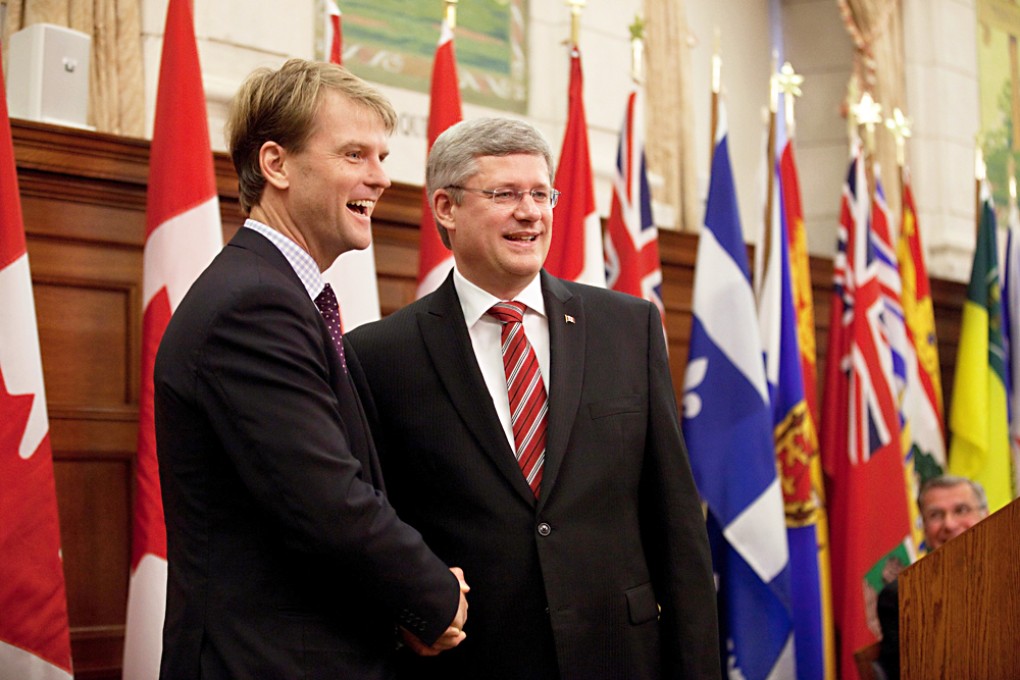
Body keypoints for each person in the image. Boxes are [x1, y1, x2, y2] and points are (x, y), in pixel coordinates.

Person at [346, 117, 721, 679]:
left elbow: (675, 523)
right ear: (445, 207)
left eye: (541, 194)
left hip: (622, 658)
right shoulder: (377, 355)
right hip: (473, 661)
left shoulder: (629, 326)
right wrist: (409, 610)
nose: (531, 212)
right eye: (505, 194)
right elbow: (375, 523)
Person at [153, 59, 468, 679]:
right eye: (355, 155)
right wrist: (435, 596)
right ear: (276, 165)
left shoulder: (277, 292)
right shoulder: (255, 303)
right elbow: (328, 502)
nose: (379, 178)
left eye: (382, 156)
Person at [877, 475, 989, 679]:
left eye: (961, 510)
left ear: (986, 515)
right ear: (924, 530)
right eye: (936, 515)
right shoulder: (902, 596)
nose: (949, 524)